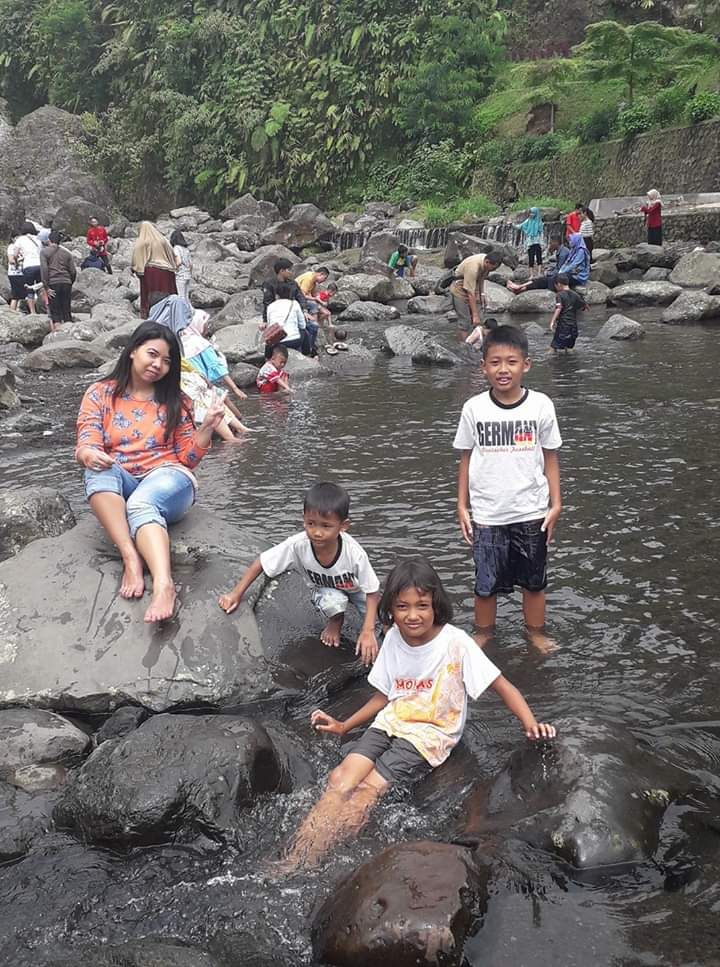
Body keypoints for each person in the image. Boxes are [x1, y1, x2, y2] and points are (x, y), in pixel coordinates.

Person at [279, 557, 556, 870]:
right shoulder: (395, 638)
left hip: (430, 732)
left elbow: (503, 686)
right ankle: (295, 857)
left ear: (435, 604)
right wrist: (344, 726)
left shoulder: (456, 643)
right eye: (402, 607)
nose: (412, 616)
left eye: (421, 605)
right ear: (391, 610)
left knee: (367, 790)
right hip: (392, 721)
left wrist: (530, 723)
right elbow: (383, 695)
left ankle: (316, 860)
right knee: (340, 779)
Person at [75, 321, 225, 622]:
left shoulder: (175, 401)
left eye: (167, 360)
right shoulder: (100, 393)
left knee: (141, 503)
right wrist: (89, 453)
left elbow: (188, 457)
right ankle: (131, 558)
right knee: (97, 471)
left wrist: (207, 427)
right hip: (122, 476)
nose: (158, 364)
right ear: (132, 351)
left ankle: (164, 586)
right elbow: (87, 439)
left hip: (169, 476)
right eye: (152, 354)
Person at [454, 325, 562, 653]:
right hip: (488, 512)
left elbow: (551, 456)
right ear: (483, 366)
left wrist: (556, 504)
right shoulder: (474, 408)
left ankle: (535, 633)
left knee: (534, 581)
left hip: (531, 510)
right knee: (485, 584)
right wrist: (462, 505)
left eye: (511, 362)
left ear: (526, 365)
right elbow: (465, 458)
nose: (504, 370)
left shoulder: (541, 405)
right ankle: (484, 634)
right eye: (495, 362)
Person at [219, 482, 380, 658]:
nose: (317, 532)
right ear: (303, 518)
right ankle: (336, 621)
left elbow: (372, 590)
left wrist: (368, 630)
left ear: (343, 526)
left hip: (356, 589)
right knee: (332, 601)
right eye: (311, 523)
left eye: (326, 526)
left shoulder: (354, 553)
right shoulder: (297, 545)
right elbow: (262, 563)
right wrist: (236, 593)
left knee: (381, 619)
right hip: (327, 589)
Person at [506, 233, 589, 293]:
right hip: (569, 273)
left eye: (572, 240)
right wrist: (558, 271)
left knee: (551, 279)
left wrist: (560, 272)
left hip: (578, 277)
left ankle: (520, 288)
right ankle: (520, 288)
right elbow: (566, 264)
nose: (570, 241)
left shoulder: (580, 251)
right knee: (543, 279)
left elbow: (573, 264)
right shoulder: (573, 250)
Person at [131, 221, 177, 319]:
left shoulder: (143, 241)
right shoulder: (162, 240)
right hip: (168, 271)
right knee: (169, 294)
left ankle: (152, 316)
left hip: (152, 272)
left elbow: (137, 258)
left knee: (152, 296)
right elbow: (172, 254)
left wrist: (136, 269)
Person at [449, 251, 502, 332]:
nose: (493, 270)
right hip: (459, 287)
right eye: (493, 268)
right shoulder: (473, 268)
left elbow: (482, 278)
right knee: (465, 322)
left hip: (474, 284)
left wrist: (482, 294)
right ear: (487, 262)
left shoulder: (486, 260)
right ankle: (464, 344)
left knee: (479, 319)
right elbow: (470, 293)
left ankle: (476, 341)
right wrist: (474, 315)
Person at [40, 230, 77, 331]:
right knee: (66, 309)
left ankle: (58, 335)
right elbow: (73, 271)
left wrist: (46, 287)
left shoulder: (44, 252)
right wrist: (70, 282)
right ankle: (69, 332)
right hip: (66, 282)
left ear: (49, 240)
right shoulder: (67, 254)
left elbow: (44, 270)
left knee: (55, 311)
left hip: (53, 283)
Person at [262, 284, 307, 358]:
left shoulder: (270, 306)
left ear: (277, 295)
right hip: (294, 341)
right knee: (304, 331)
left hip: (277, 341)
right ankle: (306, 354)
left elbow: (271, 326)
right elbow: (303, 325)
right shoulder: (294, 304)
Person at [262, 259, 309, 323]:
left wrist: (304, 310)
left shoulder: (293, 283)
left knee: (312, 325)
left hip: (292, 311)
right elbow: (267, 302)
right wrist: (265, 320)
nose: (291, 272)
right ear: (282, 271)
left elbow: (300, 297)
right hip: (277, 313)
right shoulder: (269, 284)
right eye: (289, 270)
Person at [549, 274, 586, 353]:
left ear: (558, 284)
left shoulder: (559, 295)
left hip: (563, 325)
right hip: (573, 326)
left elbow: (559, 308)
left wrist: (552, 321)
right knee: (569, 349)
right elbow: (584, 306)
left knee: (553, 348)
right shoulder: (576, 295)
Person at [14, 221, 43, 315]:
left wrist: (18, 260)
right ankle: (44, 308)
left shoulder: (20, 239)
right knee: (41, 288)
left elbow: (15, 254)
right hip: (40, 265)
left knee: (29, 289)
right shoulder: (38, 239)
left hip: (28, 265)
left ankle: (33, 312)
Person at [517, 207, 544, 279]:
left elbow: (541, 233)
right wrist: (512, 225)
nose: (531, 214)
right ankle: (531, 275)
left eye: (533, 213)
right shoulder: (528, 221)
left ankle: (539, 273)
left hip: (537, 242)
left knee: (539, 257)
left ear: (536, 213)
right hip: (530, 242)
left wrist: (542, 242)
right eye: (530, 213)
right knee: (531, 258)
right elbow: (520, 226)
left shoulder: (539, 222)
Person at [6, 234, 27, 312]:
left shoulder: (21, 246)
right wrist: (21, 261)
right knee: (15, 295)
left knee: (22, 295)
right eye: (16, 237)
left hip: (22, 273)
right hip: (14, 273)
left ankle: (18, 311)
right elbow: (11, 260)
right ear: (12, 238)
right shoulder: (11, 247)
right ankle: (12, 313)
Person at [171, 230, 192, 301]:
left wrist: (174, 268)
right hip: (188, 275)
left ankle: (183, 312)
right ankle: (190, 311)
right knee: (186, 297)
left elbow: (179, 261)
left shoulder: (176, 248)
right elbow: (190, 264)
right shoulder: (186, 249)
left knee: (181, 297)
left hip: (180, 275)